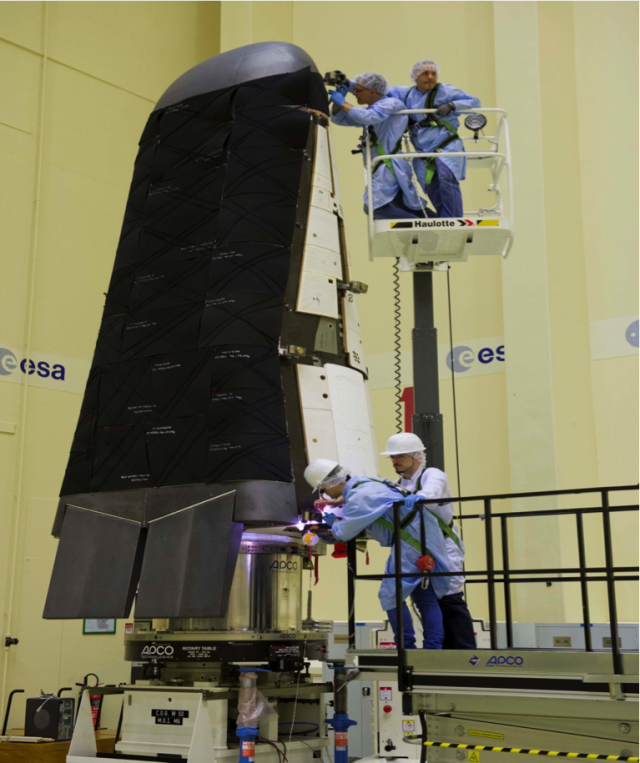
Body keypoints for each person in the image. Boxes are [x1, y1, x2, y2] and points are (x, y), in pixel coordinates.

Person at [304, 458, 450, 649]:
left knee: (391, 595)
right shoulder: (368, 483)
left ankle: (406, 648)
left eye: (322, 489)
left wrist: (334, 523)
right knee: (425, 596)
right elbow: (373, 501)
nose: (324, 493)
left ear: (327, 484)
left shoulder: (360, 496)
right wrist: (341, 501)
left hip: (411, 541)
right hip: (425, 536)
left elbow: (344, 532)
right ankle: (433, 650)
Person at [380, 432, 476, 649]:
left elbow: (432, 494)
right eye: (392, 457)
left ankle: (464, 653)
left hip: (444, 546)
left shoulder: (432, 475)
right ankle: (436, 651)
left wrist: (420, 497)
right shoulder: (395, 485)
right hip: (415, 550)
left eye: (400, 456)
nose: (395, 461)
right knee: (425, 600)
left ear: (417, 457)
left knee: (450, 597)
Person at [386, 60, 481, 218]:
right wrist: (350, 85)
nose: (430, 77)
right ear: (415, 77)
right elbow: (379, 90)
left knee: (446, 177)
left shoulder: (444, 90)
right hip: (423, 150)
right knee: (430, 185)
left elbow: (475, 102)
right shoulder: (406, 94)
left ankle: (454, 220)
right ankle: (445, 219)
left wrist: (452, 105)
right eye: (425, 73)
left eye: (433, 73)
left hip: (446, 143)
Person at [329, 72, 424, 220]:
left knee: (374, 208)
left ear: (372, 91)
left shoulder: (391, 104)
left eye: (358, 90)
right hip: (384, 165)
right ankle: (433, 224)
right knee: (405, 205)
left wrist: (342, 102)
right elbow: (343, 120)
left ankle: (421, 225)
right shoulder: (373, 109)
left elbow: (366, 117)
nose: (354, 93)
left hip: (388, 165)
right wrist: (337, 104)